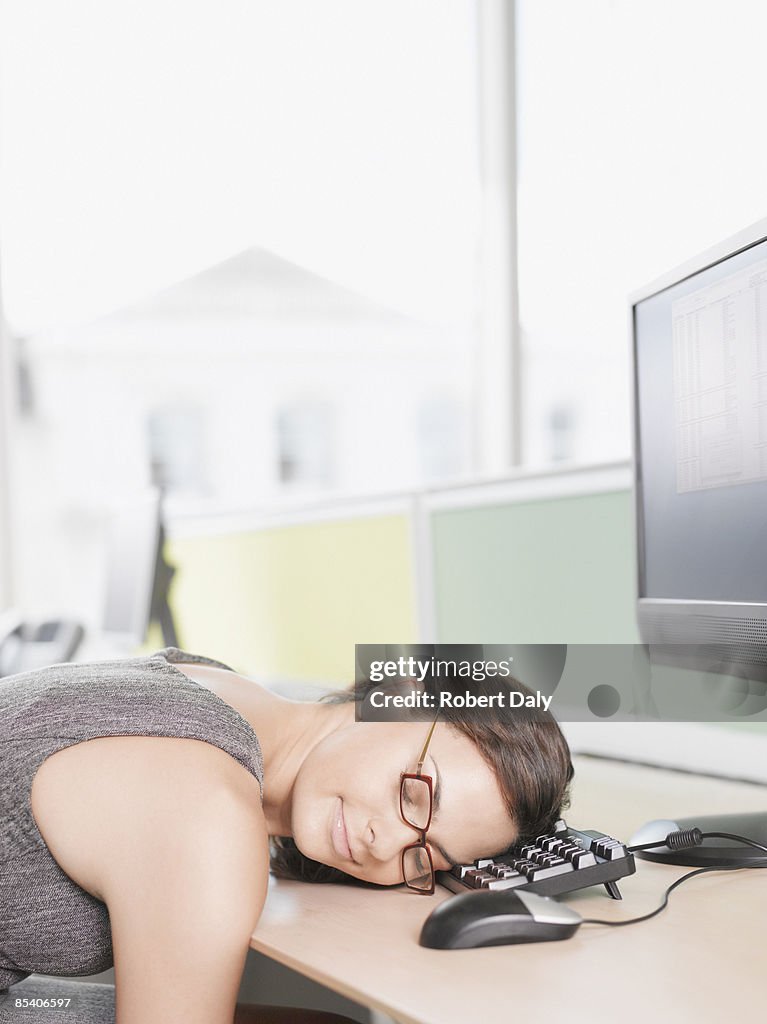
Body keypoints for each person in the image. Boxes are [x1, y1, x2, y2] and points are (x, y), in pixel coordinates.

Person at [0, 647, 573, 1024]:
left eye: (422, 858)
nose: (386, 842)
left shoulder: (218, 687)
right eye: (415, 794)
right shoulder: (206, 814)